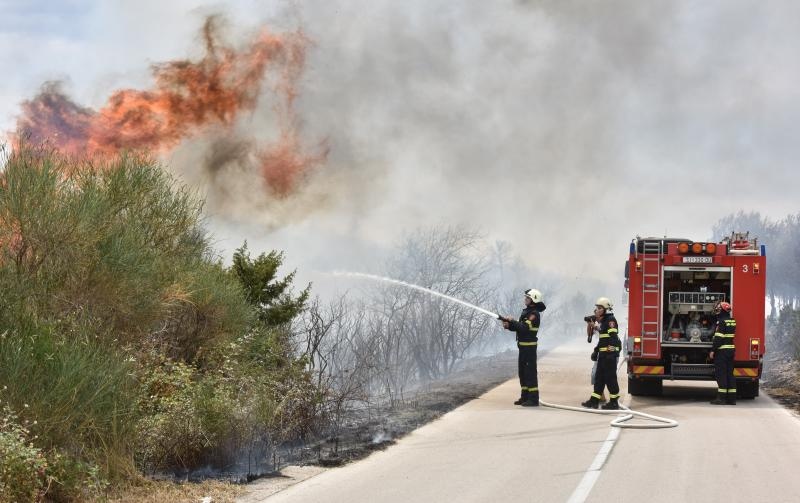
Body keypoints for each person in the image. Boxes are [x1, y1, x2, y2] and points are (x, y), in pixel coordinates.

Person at [500, 288, 546, 407]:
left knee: (530, 373)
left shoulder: (534, 314)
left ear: (533, 299)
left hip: (529, 349)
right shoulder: (527, 312)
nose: (525, 299)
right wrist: (509, 325)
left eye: (527, 297)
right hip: (523, 348)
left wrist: (512, 321)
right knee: (523, 373)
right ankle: (525, 397)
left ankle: (533, 399)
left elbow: (524, 328)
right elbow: (519, 327)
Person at [581, 297, 622, 410]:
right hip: (603, 356)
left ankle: (614, 402)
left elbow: (613, 337)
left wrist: (612, 352)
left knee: (610, 379)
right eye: (597, 308)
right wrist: (596, 351)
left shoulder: (611, 320)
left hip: (609, 356)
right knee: (599, 378)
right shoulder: (603, 322)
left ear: (606, 309)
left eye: (600, 308)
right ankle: (594, 401)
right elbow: (603, 339)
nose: (597, 310)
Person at [709, 301, 736, 405]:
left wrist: (713, 350)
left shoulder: (721, 322)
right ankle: (732, 399)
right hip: (731, 350)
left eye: (719, 309)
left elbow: (718, 339)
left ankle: (721, 398)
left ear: (723, 311)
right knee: (730, 374)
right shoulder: (732, 321)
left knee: (721, 374)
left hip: (722, 352)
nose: (717, 311)